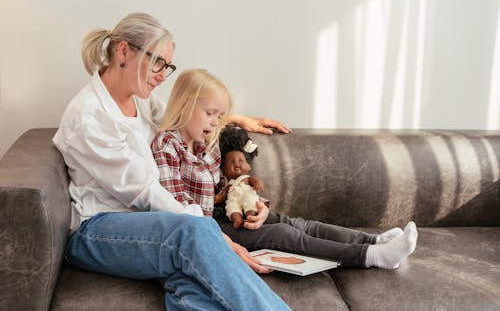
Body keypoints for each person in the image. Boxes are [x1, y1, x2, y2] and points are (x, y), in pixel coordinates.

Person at [53, 12, 291, 311]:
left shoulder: (140, 99)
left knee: (193, 283)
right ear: (123, 51)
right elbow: (146, 192)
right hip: (97, 232)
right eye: (158, 63)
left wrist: (237, 119)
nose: (163, 76)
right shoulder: (89, 117)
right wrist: (216, 239)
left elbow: (181, 115)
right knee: (194, 232)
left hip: (149, 226)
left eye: (168, 66)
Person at [152, 71, 419, 270]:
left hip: (229, 213)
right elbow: (178, 206)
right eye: (210, 113)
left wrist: (256, 206)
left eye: (219, 116)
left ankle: (373, 241)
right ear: (186, 104)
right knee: (284, 235)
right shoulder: (166, 144)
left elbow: (225, 186)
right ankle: (371, 257)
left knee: (297, 224)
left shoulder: (206, 143)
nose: (215, 122)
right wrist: (225, 211)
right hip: (209, 227)